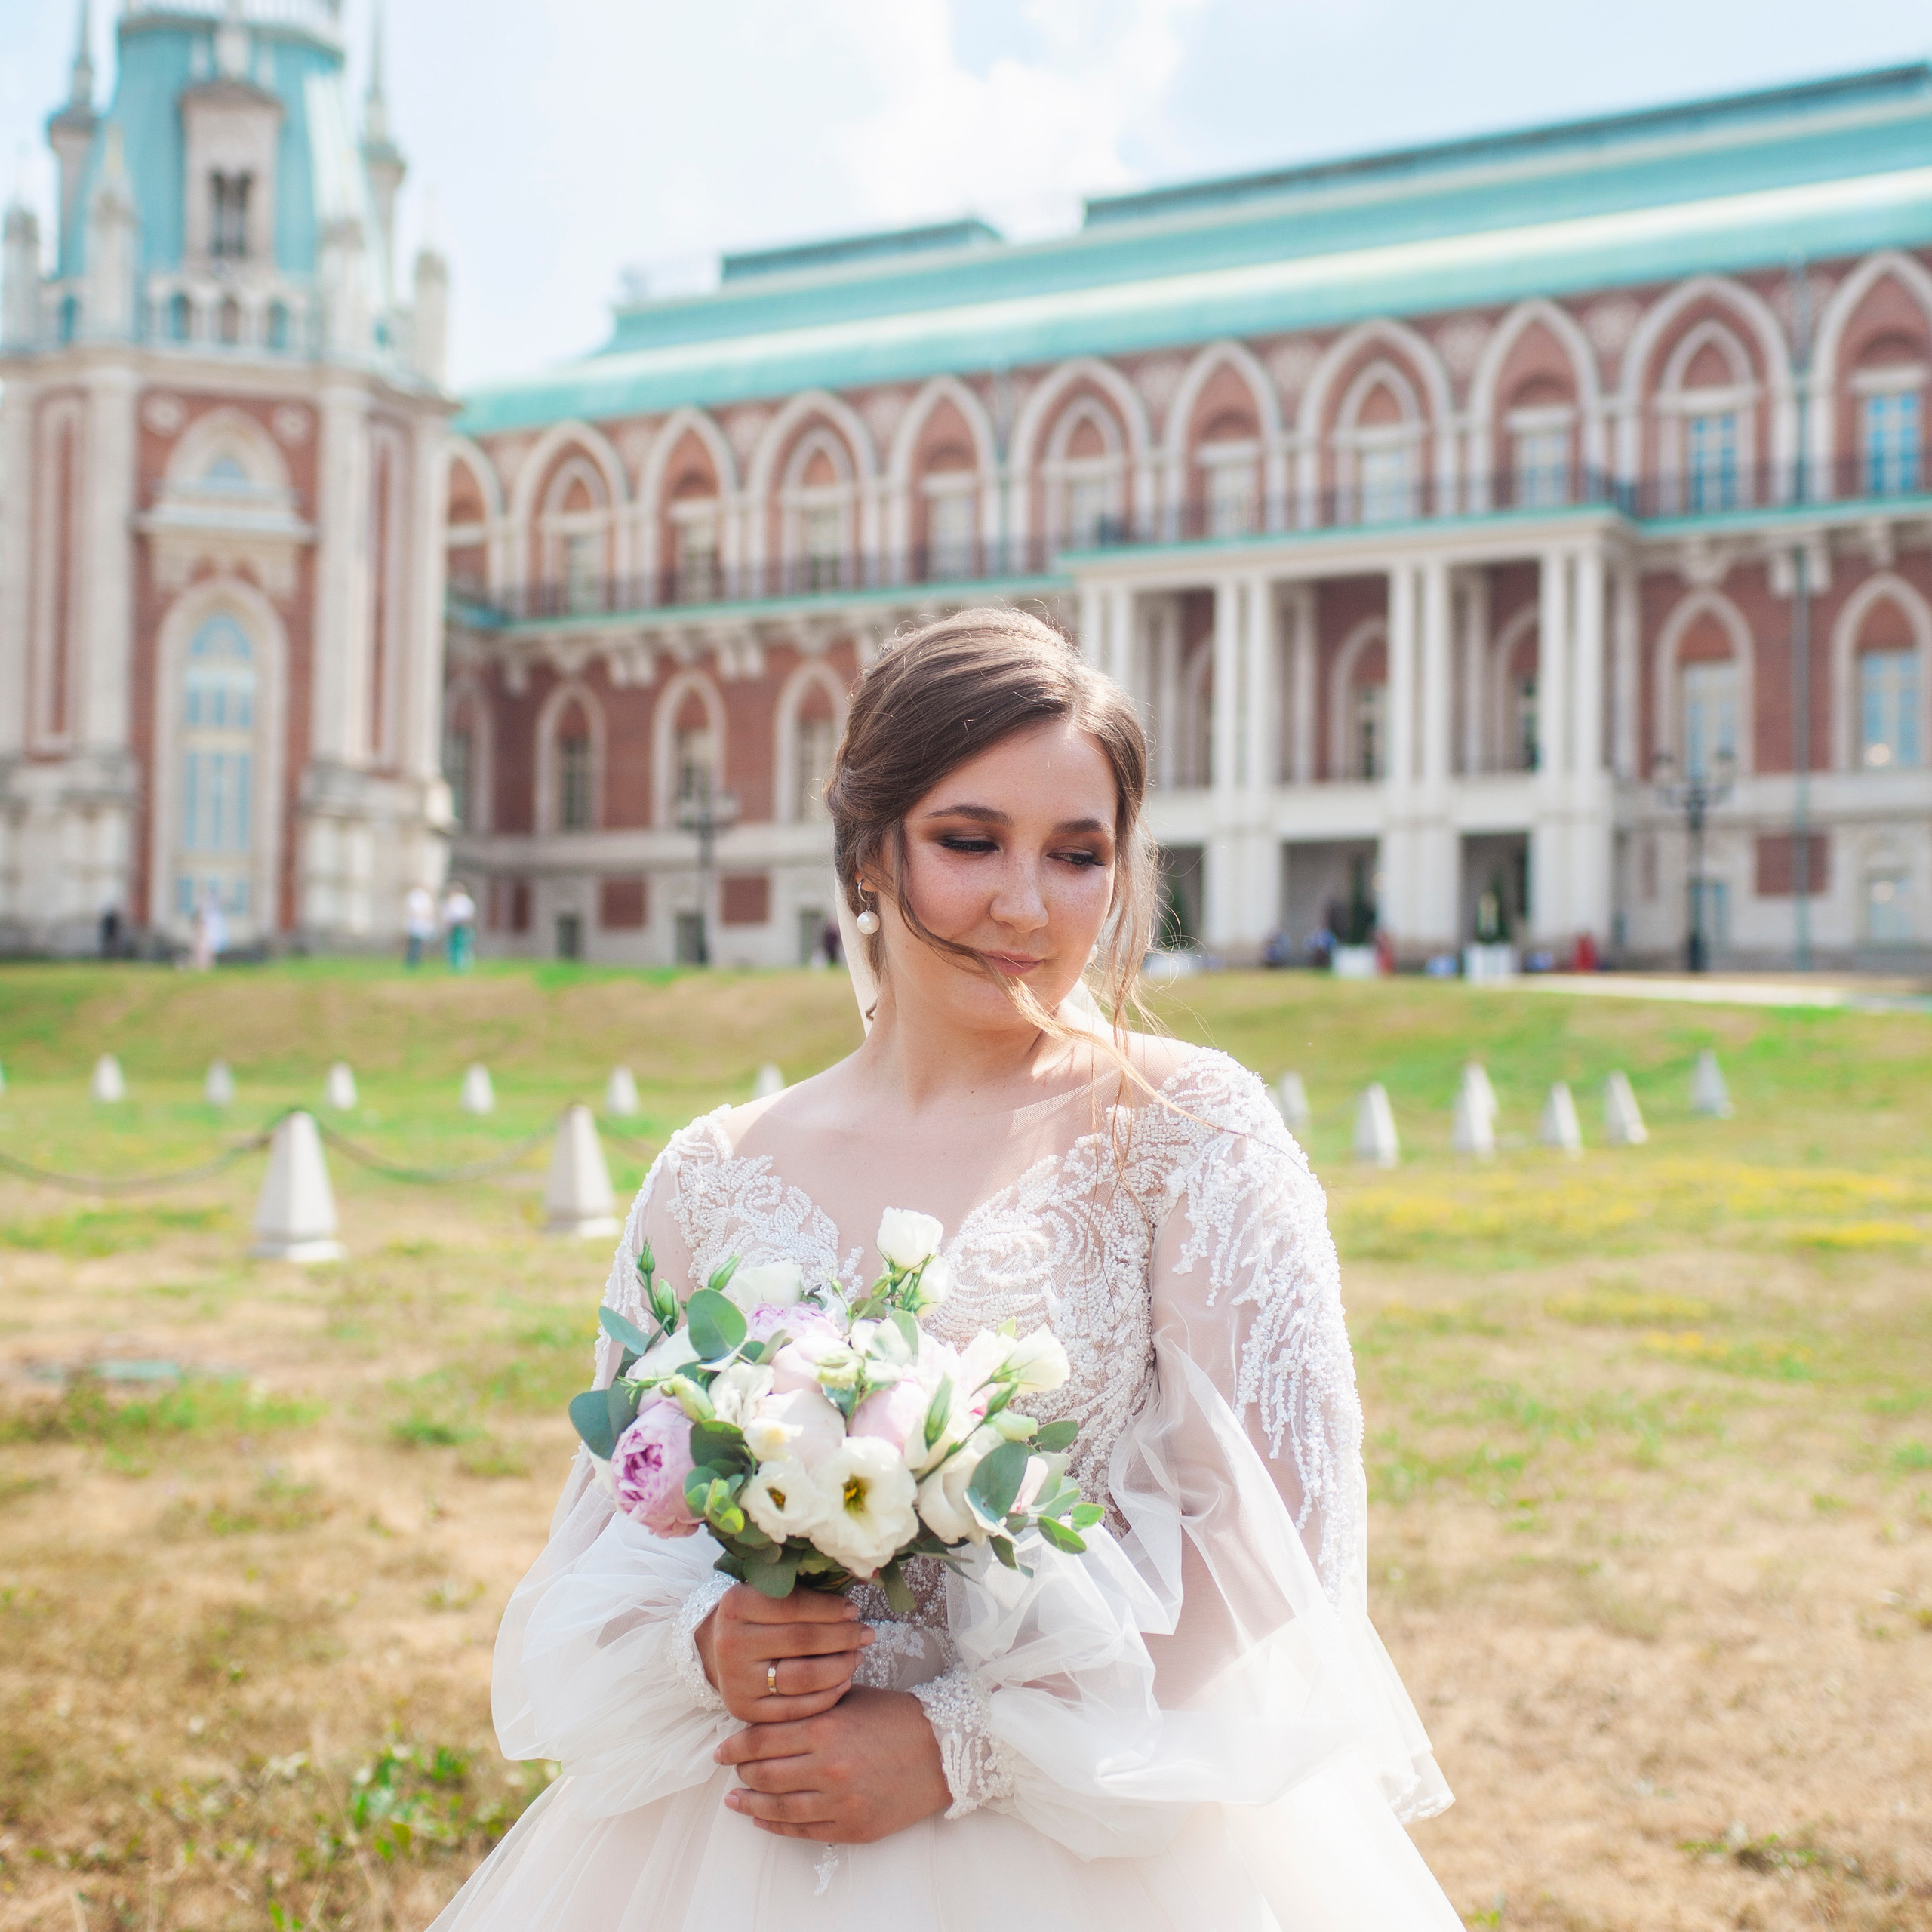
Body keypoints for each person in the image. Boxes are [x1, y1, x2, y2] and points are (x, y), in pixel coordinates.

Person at [427, 611, 1458, 1932]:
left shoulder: (1190, 1136)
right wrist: (709, 1645)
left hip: (1100, 1839)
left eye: (1076, 855)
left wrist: (958, 1744)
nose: (1025, 905)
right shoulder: (711, 1175)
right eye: (970, 842)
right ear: (869, 851)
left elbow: (1276, 1555)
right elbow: (606, 1540)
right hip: (735, 1838)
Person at [441, 881, 476, 972]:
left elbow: (469, 914)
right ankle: (454, 966)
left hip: (462, 926)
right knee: (453, 947)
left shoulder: (463, 900)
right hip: (453, 926)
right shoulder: (449, 901)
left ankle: (463, 966)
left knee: (462, 946)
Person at [405, 884, 437, 969]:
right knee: (415, 945)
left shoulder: (424, 897)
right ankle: (412, 962)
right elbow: (415, 910)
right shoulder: (415, 896)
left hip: (421, 925)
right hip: (416, 925)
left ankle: (416, 961)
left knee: (419, 945)